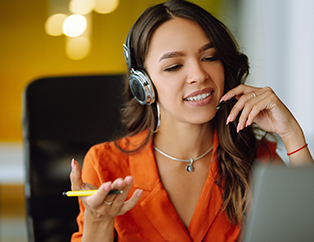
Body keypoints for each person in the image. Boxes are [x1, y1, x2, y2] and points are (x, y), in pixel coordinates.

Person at [70, 0, 313, 241]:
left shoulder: (255, 157)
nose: (199, 75)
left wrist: (291, 134)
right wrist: (99, 220)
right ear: (143, 86)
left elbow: (305, 230)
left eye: (209, 57)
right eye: (174, 66)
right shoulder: (105, 165)